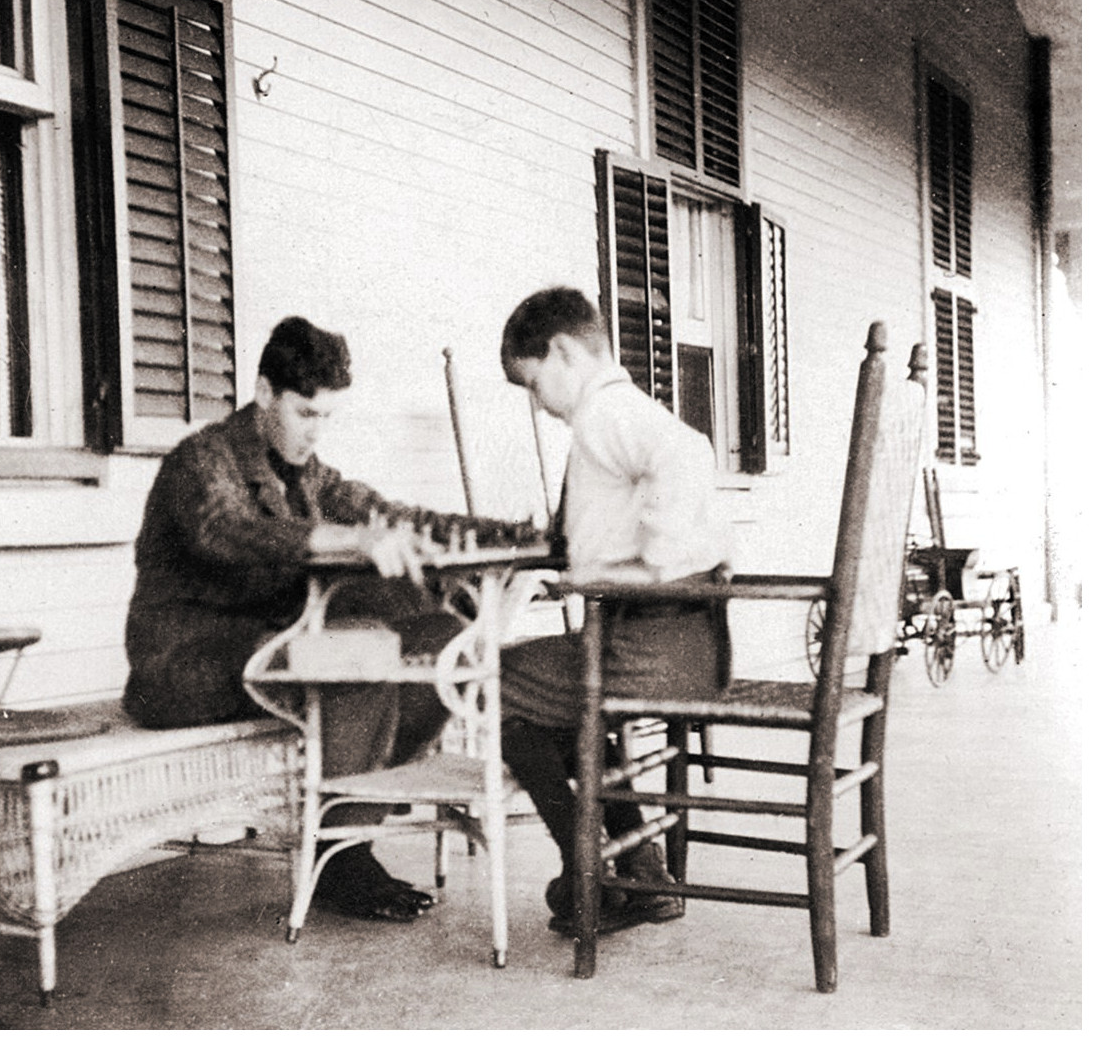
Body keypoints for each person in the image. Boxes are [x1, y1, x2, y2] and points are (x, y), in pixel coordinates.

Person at [124, 315, 530, 924]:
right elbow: (231, 530)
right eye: (305, 414)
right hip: (185, 664)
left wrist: (508, 534)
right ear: (265, 394)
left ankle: (344, 829)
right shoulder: (201, 461)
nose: (316, 433)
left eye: (328, 417)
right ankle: (342, 855)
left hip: (271, 648)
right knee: (354, 650)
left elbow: (391, 515)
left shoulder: (309, 475)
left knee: (444, 637)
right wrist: (345, 539)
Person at [496, 286, 734, 937]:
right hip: (677, 643)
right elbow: (595, 536)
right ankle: (642, 869)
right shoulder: (609, 416)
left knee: (491, 686)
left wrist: (649, 564)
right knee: (555, 704)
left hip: (654, 645)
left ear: (565, 353)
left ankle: (587, 872)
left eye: (533, 381)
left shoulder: (605, 414)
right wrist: (585, 572)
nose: (536, 402)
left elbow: (689, 454)